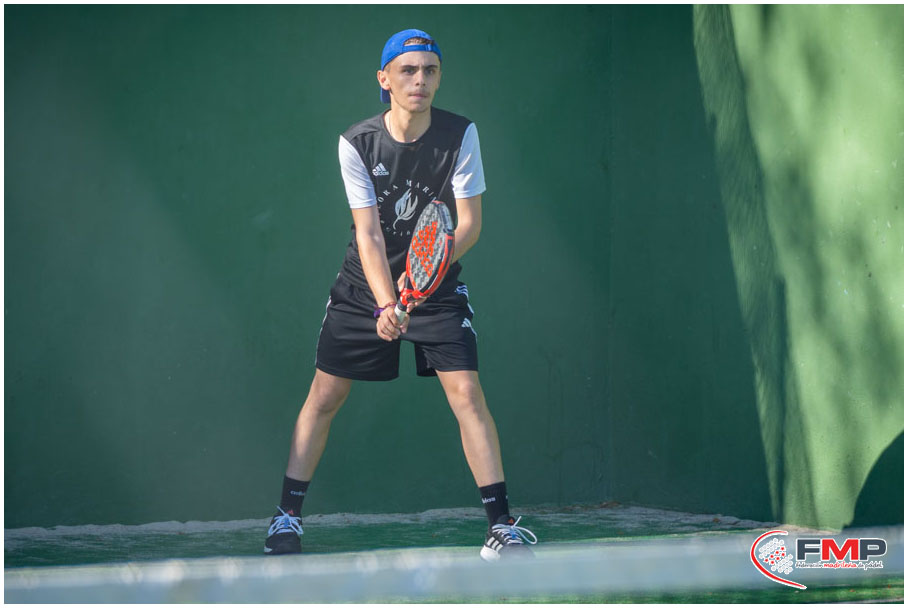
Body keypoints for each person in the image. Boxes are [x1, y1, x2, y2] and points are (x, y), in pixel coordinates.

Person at [264, 28, 536, 561]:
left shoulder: (460, 135)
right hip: (364, 287)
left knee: (467, 394)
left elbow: (469, 224)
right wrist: (388, 303)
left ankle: (500, 527)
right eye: (408, 71)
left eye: (430, 71)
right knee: (325, 397)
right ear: (384, 79)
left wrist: (424, 278)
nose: (420, 80)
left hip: (435, 284)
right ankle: (286, 519)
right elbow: (367, 233)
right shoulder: (356, 143)